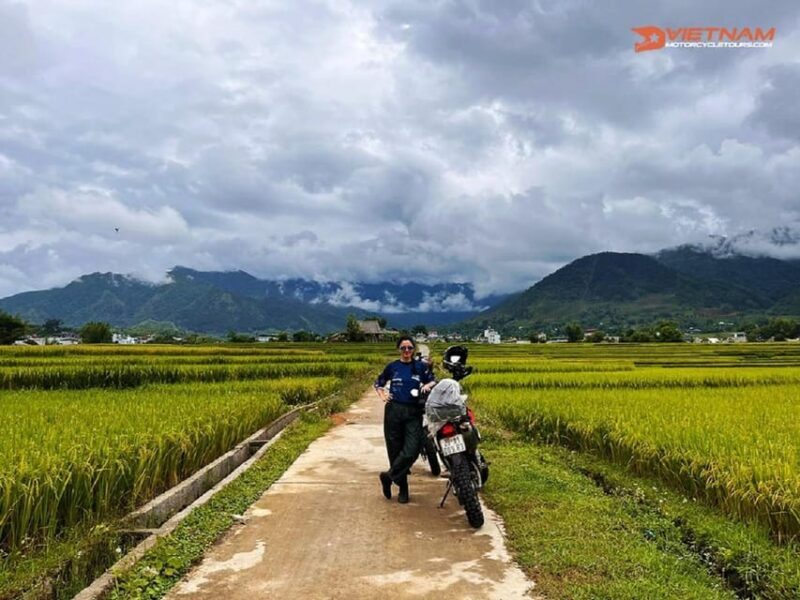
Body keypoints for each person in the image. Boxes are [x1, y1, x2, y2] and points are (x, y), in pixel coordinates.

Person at [374, 336, 436, 503]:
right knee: (395, 450)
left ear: (413, 349)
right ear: (399, 349)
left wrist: (427, 385)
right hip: (394, 410)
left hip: (413, 411)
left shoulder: (420, 367)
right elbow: (378, 383)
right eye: (403, 348)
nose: (407, 351)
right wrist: (383, 395)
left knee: (411, 449)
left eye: (409, 348)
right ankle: (403, 489)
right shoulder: (393, 367)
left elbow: (432, 380)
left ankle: (388, 477)